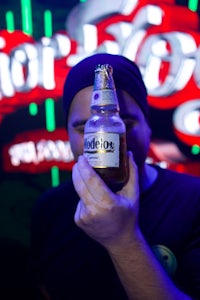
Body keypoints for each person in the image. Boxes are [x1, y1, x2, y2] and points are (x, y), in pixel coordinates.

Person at [29, 53, 200, 300]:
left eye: (124, 124)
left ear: (148, 126)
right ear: (67, 133)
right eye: (87, 128)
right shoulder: (49, 209)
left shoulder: (193, 201)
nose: (106, 141)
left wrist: (123, 241)